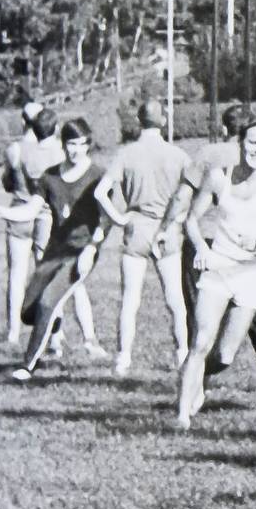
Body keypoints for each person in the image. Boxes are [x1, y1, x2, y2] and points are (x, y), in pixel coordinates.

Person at [159, 104, 256, 399]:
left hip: (206, 244)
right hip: (245, 252)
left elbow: (183, 196)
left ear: (224, 129)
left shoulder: (207, 154)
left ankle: (196, 384)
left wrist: (165, 227)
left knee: (200, 319)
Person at [10, 119, 113, 380]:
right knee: (28, 312)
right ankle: (51, 319)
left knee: (47, 302)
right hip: (54, 250)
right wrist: (2, 212)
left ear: (89, 145)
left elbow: (106, 218)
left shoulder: (98, 176)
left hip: (81, 251)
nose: (77, 150)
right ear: (63, 145)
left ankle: (26, 366)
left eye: (82, 144)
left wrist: (92, 247)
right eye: (71, 144)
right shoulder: (50, 177)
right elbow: (32, 209)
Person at [98, 99, 196, 375]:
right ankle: (182, 355)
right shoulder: (177, 155)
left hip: (135, 229)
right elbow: (192, 194)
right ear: (163, 120)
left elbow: (100, 193)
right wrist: (178, 219)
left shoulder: (126, 154)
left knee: (130, 299)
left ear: (139, 121)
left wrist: (118, 218)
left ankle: (123, 358)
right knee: (175, 299)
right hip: (167, 231)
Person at [0, 101, 66, 344]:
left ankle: (13, 331)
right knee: (46, 275)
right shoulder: (55, 151)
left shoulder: (14, 150)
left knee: (16, 274)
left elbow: (7, 182)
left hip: (19, 213)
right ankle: (53, 335)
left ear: (23, 121)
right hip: (45, 215)